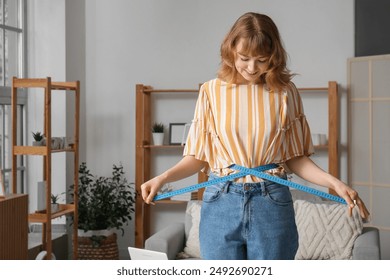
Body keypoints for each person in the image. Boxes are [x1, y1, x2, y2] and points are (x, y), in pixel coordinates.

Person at [141, 12, 370, 260]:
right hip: (220, 200)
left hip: (271, 200)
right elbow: (198, 157)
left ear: (274, 56)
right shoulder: (211, 92)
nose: (252, 68)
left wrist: (335, 184)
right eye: (244, 58)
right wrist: (162, 178)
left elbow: (296, 159)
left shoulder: (285, 93)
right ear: (231, 51)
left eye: (261, 60)